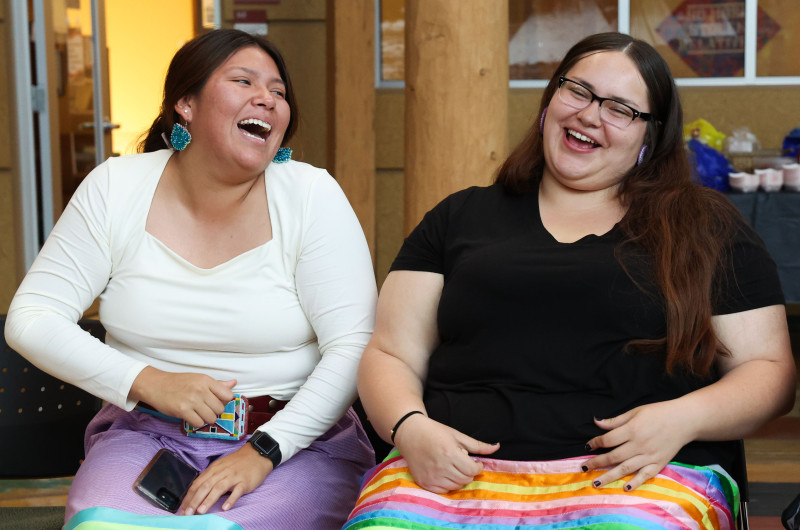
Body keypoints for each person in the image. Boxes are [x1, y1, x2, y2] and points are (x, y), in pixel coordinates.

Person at [344, 32, 796, 529]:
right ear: (550, 101)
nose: (589, 114)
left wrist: (682, 418)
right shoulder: (459, 217)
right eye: (578, 91)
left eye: (620, 108)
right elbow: (391, 353)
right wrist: (410, 429)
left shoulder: (705, 225)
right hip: (450, 477)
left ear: (652, 134)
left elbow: (768, 370)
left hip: (637, 479)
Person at [5, 29, 377, 529]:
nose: (266, 98)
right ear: (186, 103)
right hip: (146, 435)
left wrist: (265, 450)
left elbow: (355, 344)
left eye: (279, 92)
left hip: (295, 442)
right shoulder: (117, 187)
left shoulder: (310, 195)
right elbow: (32, 318)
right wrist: (147, 381)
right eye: (244, 81)